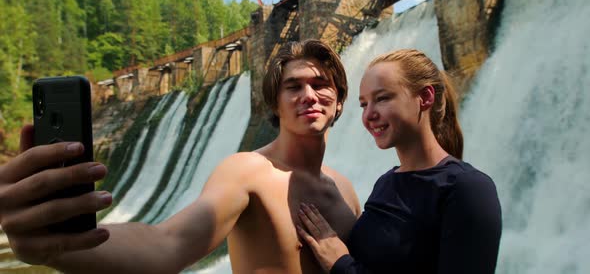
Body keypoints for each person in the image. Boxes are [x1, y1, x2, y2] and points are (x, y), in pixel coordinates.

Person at [0, 39, 361, 273]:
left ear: (339, 99)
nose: (309, 95)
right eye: (293, 87)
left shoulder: (346, 191)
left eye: (320, 84)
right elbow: (166, 243)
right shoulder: (250, 172)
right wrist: (60, 245)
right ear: (274, 103)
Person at [296, 49, 502, 274]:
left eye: (382, 98)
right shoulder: (387, 182)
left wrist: (341, 265)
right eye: (364, 104)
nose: (369, 115)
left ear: (425, 97)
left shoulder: (468, 189)